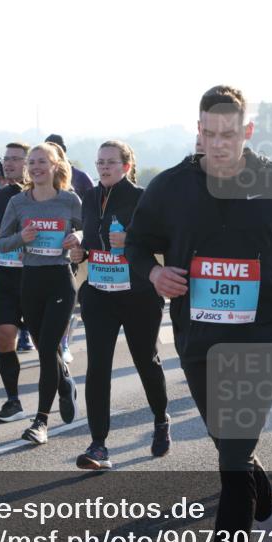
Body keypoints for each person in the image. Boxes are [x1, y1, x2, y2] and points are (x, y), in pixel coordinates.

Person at [126, 85, 272, 542]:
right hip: (197, 334)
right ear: (198, 131)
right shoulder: (169, 187)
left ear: (247, 133)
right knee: (230, 446)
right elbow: (137, 244)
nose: (217, 145)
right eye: (208, 134)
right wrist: (153, 273)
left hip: (261, 330)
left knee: (232, 459)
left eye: (228, 135)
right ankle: (267, 513)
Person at [68, 140, 169, 469]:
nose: (104, 167)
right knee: (97, 367)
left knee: (145, 360)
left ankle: (160, 419)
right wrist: (79, 249)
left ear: (126, 166)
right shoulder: (90, 197)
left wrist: (132, 240)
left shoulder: (142, 198)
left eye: (111, 162)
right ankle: (98, 445)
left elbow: (165, 239)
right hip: (99, 293)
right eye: (100, 162)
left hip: (138, 292)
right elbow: (89, 235)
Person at [0, 143, 83, 445]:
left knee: (47, 350)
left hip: (60, 279)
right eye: (31, 163)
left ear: (56, 165)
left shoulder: (70, 200)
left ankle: (41, 422)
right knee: (45, 347)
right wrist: (22, 237)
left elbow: (89, 232)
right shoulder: (19, 203)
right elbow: (2, 243)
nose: (35, 167)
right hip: (30, 281)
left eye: (42, 162)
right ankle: (65, 384)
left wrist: (78, 238)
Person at [0, 142, 33, 422]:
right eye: (6, 159)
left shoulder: (43, 196)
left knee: (47, 344)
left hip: (36, 277)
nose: (9, 164)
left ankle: (62, 383)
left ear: (31, 162)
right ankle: (13, 400)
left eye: (16, 159)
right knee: (4, 335)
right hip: (7, 277)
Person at [44, 133, 89, 363]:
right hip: (40, 256)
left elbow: (89, 215)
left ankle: (63, 343)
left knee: (62, 301)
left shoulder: (80, 178)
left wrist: (79, 237)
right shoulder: (37, 180)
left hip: (66, 254)